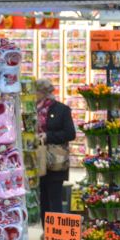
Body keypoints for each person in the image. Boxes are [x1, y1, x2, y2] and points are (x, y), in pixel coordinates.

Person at [36, 79, 76, 218]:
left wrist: (48, 136)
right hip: (40, 160)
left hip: (56, 161)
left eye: (36, 92)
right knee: (43, 198)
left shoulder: (62, 109)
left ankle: (57, 233)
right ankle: (46, 230)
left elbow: (70, 134)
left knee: (55, 198)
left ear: (43, 92)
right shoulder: (34, 110)